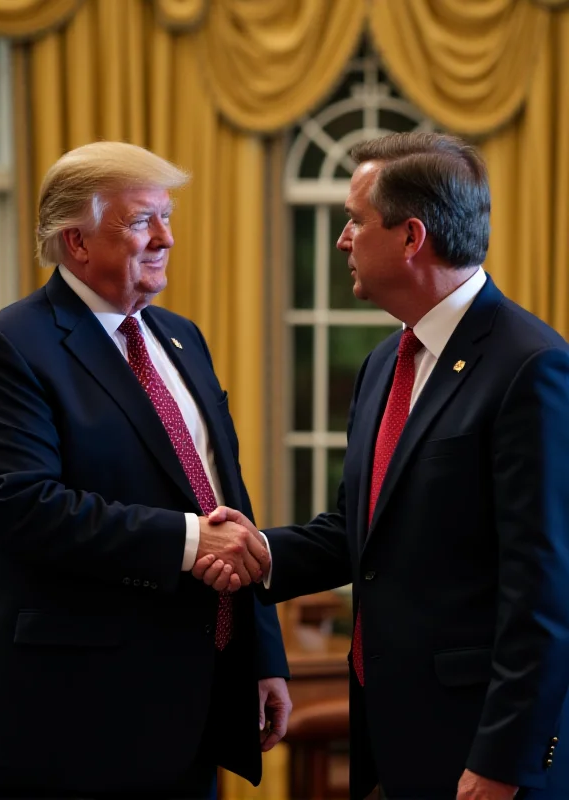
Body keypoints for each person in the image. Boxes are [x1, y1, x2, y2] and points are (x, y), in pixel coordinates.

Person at [196, 133, 569, 800]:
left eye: (354, 220)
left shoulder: (530, 366)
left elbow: (544, 588)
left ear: (410, 237)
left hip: (482, 753)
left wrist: (502, 760)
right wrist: (258, 552)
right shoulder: (381, 366)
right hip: (389, 737)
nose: (342, 239)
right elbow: (358, 532)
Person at [0, 141, 291, 799]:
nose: (166, 237)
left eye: (167, 217)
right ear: (77, 242)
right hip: (75, 714)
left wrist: (262, 656)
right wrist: (187, 540)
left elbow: (227, 498)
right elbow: (20, 507)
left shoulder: (182, 337)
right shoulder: (8, 347)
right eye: (142, 220)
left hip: (198, 698)